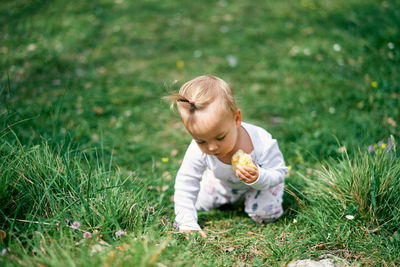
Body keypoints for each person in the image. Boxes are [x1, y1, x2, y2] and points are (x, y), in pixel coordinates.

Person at [166, 75, 288, 237]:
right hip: (223, 184)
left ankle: (254, 200)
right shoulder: (197, 150)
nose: (212, 147)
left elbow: (279, 172)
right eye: (201, 140)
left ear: (237, 119)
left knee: (266, 216)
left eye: (220, 137)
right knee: (200, 203)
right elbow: (186, 181)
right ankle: (217, 192)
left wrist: (258, 177)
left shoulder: (261, 141)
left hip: (263, 184)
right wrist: (187, 222)